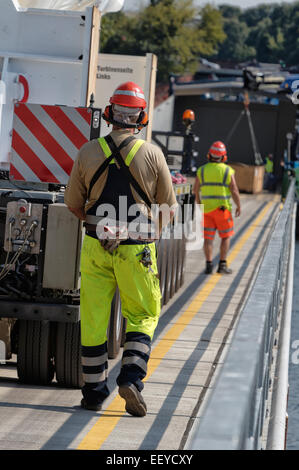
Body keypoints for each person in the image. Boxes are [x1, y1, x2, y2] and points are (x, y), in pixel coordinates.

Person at [64, 81, 177, 416]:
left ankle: (94, 393)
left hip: (96, 246)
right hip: (137, 249)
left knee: (95, 319)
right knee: (142, 313)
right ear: (141, 117)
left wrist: (101, 227)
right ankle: (130, 377)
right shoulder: (153, 154)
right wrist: (147, 234)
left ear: (110, 113)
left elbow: (73, 203)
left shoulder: (87, 151)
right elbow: (168, 208)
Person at [193, 141, 241, 275]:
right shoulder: (227, 170)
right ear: (224, 157)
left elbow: (195, 190)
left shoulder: (201, 170)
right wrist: (238, 205)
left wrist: (199, 204)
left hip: (207, 211)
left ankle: (208, 265)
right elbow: (234, 189)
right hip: (222, 211)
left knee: (208, 239)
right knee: (225, 237)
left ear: (209, 155)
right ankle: (222, 265)